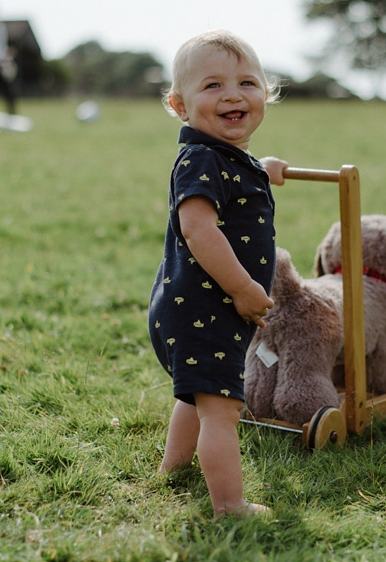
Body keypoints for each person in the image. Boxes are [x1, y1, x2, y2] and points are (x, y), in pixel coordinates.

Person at [148, 30, 288, 517]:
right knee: (223, 409)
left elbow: (235, 174)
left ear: (265, 94)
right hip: (209, 305)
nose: (232, 94)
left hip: (194, 306)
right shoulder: (202, 160)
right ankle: (230, 506)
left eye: (247, 82)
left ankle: (173, 467)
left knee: (199, 393)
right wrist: (244, 288)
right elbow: (199, 229)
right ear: (180, 106)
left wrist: (260, 167)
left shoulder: (224, 158)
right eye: (212, 86)